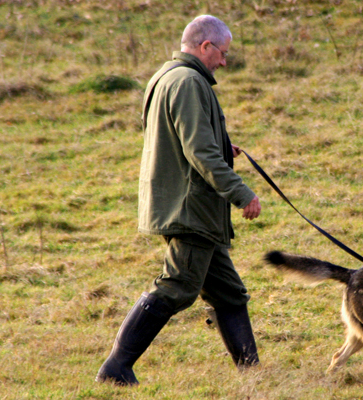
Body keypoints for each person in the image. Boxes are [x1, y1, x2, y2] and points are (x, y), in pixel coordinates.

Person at [96, 15, 263, 386]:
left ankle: (252, 375)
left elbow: (181, 137)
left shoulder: (166, 76)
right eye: (222, 53)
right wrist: (241, 193)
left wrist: (224, 146)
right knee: (177, 286)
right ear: (206, 46)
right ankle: (116, 368)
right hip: (190, 207)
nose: (224, 61)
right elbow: (199, 151)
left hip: (185, 202)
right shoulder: (188, 82)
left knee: (228, 292)